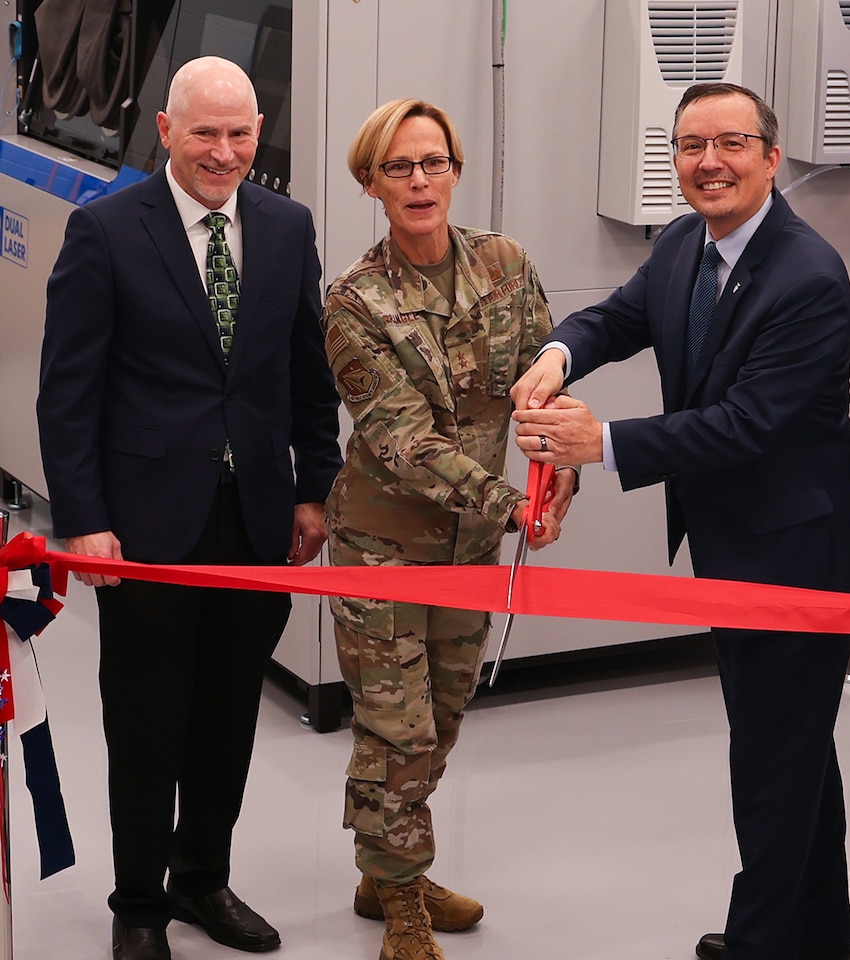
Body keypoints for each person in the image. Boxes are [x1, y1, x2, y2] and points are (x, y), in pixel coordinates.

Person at [511, 82, 850, 960]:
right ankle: (814, 939)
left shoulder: (809, 276)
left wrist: (597, 443)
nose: (708, 163)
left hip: (802, 558)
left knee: (769, 765)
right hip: (734, 548)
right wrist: (558, 354)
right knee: (793, 758)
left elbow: (748, 425)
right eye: (689, 146)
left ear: (770, 153)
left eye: (729, 144)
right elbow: (618, 316)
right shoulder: (687, 242)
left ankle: (761, 942)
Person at [36, 56, 343, 960]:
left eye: (240, 132)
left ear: (259, 133)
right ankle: (138, 907)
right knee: (146, 722)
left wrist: (312, 486)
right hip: (141, 528)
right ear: (165, 131)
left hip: (252, 518)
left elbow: (306, 373)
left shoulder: (287, 227)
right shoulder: (104, 232)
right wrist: (83, 516)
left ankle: (202, 880)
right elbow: (68, 394)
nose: (224, 151)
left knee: (226, 715)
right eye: (204, 132)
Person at [321, 98, 574, 960]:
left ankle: (385, 865)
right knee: (399, 727)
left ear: (456, 171)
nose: (420, 181)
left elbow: (544, 381)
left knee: (448, 713)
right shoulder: (354, 301)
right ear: (370, 183)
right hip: (383, 548)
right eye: (399, 168)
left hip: (472, 549)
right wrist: (512, 504)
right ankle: (400, 899)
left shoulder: (504, 265)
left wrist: (561, 466)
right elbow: (398, 439)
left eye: (434, 163)